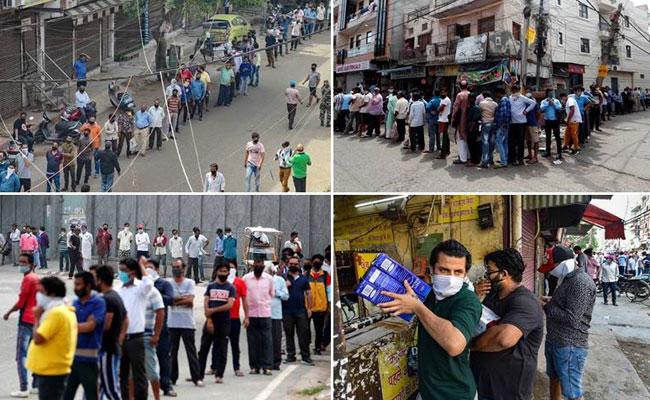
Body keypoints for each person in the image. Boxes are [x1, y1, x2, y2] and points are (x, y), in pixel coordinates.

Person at [379, 240, 482, 400]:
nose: (451, 277)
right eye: (444, 270)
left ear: (465, 274)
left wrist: (417, 307)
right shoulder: (428, 294)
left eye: (458, 272)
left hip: (455, 395)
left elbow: (455, 344)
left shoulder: (467, 301)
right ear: (432, 270)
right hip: (427, 391)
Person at [471, 249, 544, 400]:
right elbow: (474, 320)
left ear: (504, 274)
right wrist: (474, 297)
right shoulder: (491, 296)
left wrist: (467, 344)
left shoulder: (526, 302)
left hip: (509, 390)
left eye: (489, 272)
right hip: (484, 383)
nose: (486, 277)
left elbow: (503, 339)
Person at [537, 246, 596, 400]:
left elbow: (572, 318)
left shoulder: (580, 283)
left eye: (552, 267)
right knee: (554, 379)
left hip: (570, 345)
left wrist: (547, 306)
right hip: (555, 340)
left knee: (572, 392)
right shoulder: (566, 279)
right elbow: (567, 304)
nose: (551, 272)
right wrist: (551, 300)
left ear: (565, 263)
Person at [25, 276, 77, 400]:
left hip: (52, 370)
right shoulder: (61, 309)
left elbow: (38, 338)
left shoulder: (56, 313)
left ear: (52, 293)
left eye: (41, 292)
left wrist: (37, 318)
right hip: (52, 368)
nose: (38, 295)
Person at [115, 258, 154, 400]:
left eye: (124, 270)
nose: (121, 273)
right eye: (120, 270)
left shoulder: (140, 288)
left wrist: (141, 266)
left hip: (136, 338)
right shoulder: (118, 290)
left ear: (132, 272)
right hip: (121, 338)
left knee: (139, 375)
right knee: (122, 375)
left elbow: (149, 283)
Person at [63, 271, 106, 400]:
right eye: (75, 284)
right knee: (66, 395)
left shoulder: (98, 302)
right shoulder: (74, 303)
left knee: (91, 395)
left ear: (88, 286)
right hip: (72, 359)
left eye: (78, 284)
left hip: (90, 360)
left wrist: (73, 326)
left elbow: (90, 327)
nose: (75, 288)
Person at [3, 253, 40, 398]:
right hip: (37, 321)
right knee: (35, 354)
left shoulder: (28, 279)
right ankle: (36, 384)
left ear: (30, 264)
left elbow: (21, 302)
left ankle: (23, 387)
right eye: (20, 262)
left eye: (23, 262)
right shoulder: (37, 278)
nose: (21, 265)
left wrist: (8, 313)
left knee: (21, 356)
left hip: (26, 321)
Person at [168, 259, 203, 387]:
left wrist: (175, 300)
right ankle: (172, 378)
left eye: (178, 267)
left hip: (187, 323)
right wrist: (182, 299)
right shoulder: (169, 284)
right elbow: (168, 301)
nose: (176, 269)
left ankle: (196, 377)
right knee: (172, 352)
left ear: (183, 268)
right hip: (172, 323)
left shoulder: (190, 283)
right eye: (174, 267)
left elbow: (190, 302)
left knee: (191, 352)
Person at [199, 264, 235, 383]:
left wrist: (213, 310)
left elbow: (229, 305)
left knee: (222, 349)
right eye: (221, 271)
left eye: (225, 271)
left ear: (228, 273)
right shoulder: (211, 287)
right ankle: (199, 375)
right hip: (210, 321)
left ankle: (219, 375)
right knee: (204, 349)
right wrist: (209, 319)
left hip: (224, 322)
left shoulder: (230, 288)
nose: (223, 273)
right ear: (217, 272)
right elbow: (206, 303)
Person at [148, 259, 176, 397]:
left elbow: (171, 299)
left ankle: (167, 385)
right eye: (145, 268)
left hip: (161, 327)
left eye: (151, 268)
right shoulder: (141, 285)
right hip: (145, 328)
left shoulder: (164, 284)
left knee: (164, 357)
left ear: (157, 270)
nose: (148, 270)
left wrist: (154, 291)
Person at [138, 263, 165, 400]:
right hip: (132, 336)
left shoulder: (153, 292)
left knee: (152, 371)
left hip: (147, 334)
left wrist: (156, 334)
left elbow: (160, 312)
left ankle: (156, 397)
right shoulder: (134, 290)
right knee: (131, 372)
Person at [244, 258, 275, 375]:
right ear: (253, 265)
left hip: (265, 313)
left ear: (263, 265)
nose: (258, 265)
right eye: (256, 263)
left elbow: (272, 294)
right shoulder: (246, 278)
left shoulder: (269, 279)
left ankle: (267, 366)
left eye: (260, 263)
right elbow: (243, 295)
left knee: (267, 340)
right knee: (252, 341)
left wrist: (263, 303)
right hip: (251, 314)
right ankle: (254, 366)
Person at [283, 256, 313, 365]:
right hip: (287, 311)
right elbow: (277, 291)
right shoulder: (284, 278)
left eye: (295, 264)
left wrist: (309, 308)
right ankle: (291, 356)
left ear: (299, 264)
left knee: (303, 334)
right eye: (291, 264)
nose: (293, 266)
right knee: (289, 334)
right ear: (288, 264)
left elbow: (309, 294)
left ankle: (306, 356)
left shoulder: (303, 279)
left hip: (301, 311)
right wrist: (284, 286)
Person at [226, 260, 248, 376]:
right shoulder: (220, 283)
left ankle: (236, 367)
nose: (230, 270)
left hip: (234, 318)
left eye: (232, 267)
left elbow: (244, 301)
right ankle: (215, 367)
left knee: (235, 344)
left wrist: (246, 316)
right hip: (222, 318)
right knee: (219, 344)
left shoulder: (240, 283)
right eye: (228, 268)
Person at [508, 85, 537, 166]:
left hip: (521, 122)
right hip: (512, 122)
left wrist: (526, 111)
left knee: (520, 141)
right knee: (512, 142)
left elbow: (533, 103)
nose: (515, 92)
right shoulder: (510, 97)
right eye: (514, 90)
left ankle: (520, 159)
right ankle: (512, 158)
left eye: (516, 90)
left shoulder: (522, 97)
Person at [308, 255, 330, 355]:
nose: (317, 263)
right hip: (308, 307)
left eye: (319, 261)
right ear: (312, 263)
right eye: (315, 261)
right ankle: (306, 347)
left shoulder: (326, 275)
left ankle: (317, 348)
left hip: (321, 307)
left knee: (319, 330)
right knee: (305, 329)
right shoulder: (306, 275)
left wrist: (328, 305)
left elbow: (329, 291)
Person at [268, 264, 289, 370]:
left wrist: (277, 293)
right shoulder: (261, 280)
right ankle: (266, 361)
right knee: (266, 339)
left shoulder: (279, 280)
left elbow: (286, 296)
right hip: (263, 314)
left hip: (276, 314)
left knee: (276, 339)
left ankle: (276, 362)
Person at [450, 81, 471, 164]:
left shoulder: (459, 95)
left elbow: (456, 108)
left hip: (461, 119)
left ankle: (463, 158)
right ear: (467, 85)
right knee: (468, 137)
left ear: (459, 86)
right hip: (469, 119)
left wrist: (453, 120)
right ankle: (468, 156)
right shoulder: (470, 94)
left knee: (461, 138)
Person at [540, 89, 563, 164]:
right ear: (547, 94)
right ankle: (548, 151)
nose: (551, 94)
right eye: (549, 93)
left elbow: (559, 108)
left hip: (555, 121)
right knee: (548, 137)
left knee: (557, 137)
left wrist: (553, 103)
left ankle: (559, 153)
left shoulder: (556, 101)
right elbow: (541, 109)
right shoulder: (543, 101)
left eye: (552, 93)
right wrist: (547, 103)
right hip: (547, 121)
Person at [493, 87, 511, 168]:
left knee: (499, 141)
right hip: (506, 124)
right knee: (504, 143)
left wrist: (500, 124)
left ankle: (503, 161)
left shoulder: (503, 100)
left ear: (499, 93)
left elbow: (503, 114)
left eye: (496, 93)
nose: (496, 95)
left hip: (502, 125)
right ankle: (505, 159)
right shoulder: (506, 99)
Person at [437, 88, 452, 159]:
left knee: (443, 137)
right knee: (445, 137)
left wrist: (437, 110)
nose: (442, 93)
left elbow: (440, 108)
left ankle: (443, 154)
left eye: (444, 92)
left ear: (446, 93)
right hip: (443, 119)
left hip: (444, 120)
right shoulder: (443, 99)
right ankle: (447, 151)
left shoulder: (446, 100)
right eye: (441, 92)